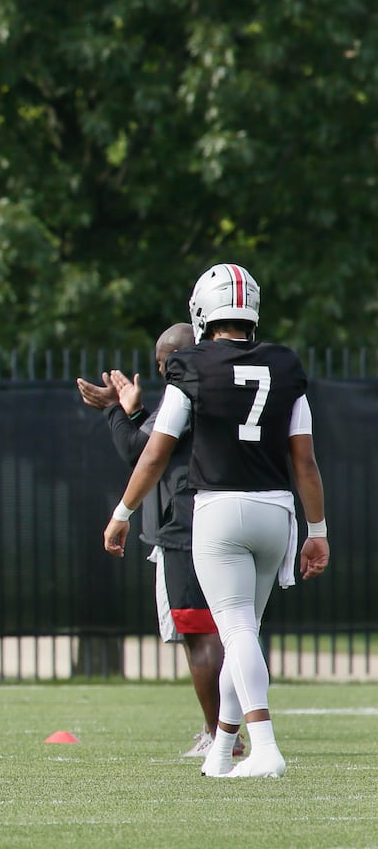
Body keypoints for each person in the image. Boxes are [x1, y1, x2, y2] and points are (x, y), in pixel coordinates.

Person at [105, 264, 328, 779]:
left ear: (203, 311)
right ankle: (223, 746)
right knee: (241, 630)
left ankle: (266, 747)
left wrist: (122, 512)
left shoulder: (191, 365)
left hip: (219, 510)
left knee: (237, 631)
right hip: (277, 510)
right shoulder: (285, 365)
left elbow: (156, 452)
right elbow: (305, 462)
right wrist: (317, 531)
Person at [80, 323, 242, 758]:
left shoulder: (185, 392)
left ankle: (221, 734)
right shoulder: (223, 390)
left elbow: (139, 452)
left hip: (187, 526)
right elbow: (155, 441)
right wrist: (129, 413)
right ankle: (231, 730)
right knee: (233, 630)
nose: (161, 371)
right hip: (228, 515)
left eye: (164, 362)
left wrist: (115, 409)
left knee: (199, 635)